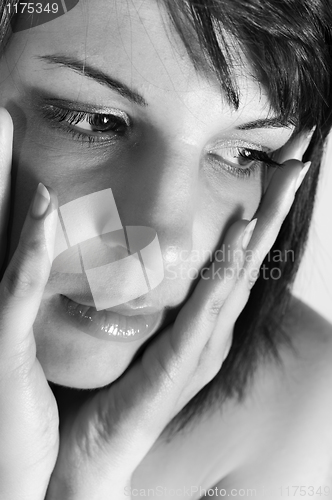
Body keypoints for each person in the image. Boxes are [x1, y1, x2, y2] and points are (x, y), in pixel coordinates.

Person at [0, 0, 332, 498]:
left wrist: (92, 477)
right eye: (93, 121)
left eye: (244, 154)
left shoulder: (299, 396)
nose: (167, 250)